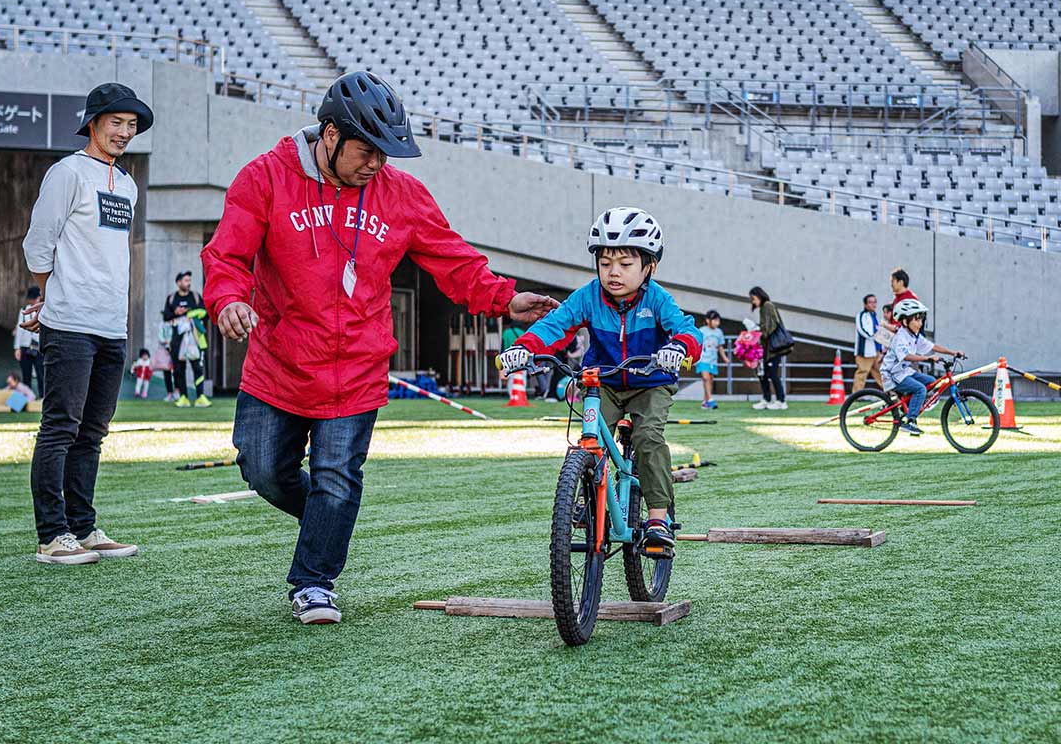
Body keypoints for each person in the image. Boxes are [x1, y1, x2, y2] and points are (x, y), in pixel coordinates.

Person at [200, 71, 559, 624]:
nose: (376, 165)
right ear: (328, 135)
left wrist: (504, 299)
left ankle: (314, 582)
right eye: (366, 151)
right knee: (263, 470)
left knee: (337, 478)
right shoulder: (265, 178)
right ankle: (330, 518)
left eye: (386, 154)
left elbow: (453, 260)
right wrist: (226, 300)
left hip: (359, 366)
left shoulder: (402, 194)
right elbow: (226, 256)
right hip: (279, 363)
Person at [499, 207, 702, 552]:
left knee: (648, 436)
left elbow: (685, 329)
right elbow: (555, 325)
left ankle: (657, 517)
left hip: (650, 382)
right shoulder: (588, 296)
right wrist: (523, 348)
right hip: (604, 381)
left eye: (625, 264)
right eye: (606, 263)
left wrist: (679, 349)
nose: (614, 273)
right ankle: (586, 499)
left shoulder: (657, 299)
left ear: (649, 266)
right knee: (589, 440)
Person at [20, 82, 152, 565]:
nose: (124, 132)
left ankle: (84, 528)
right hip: (69, 322)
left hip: (112, 326)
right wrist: (49, 293)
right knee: (60, 427)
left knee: (93, 432)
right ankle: (52, 536)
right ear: (93, 124)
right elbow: (38, 241)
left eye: (131, 125)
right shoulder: (67, 173)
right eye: (116, 122)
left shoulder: (130, 184)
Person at [880, 299, 964, 436]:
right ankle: (910, 421)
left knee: (931, 381)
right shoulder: (901, 336)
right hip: (892, 374)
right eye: (917, 320)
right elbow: (906, 356)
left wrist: (953, 352)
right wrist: (928, 358)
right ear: (906, 322)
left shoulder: (914, 336)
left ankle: (909, 405)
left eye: (921, 320)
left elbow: (932, 347)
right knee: (920, 389)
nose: (920, 323)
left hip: (904, 372)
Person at [163, 271, 211, 407]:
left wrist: (192, 314)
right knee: (179, 369)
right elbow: (165, 316)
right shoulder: (172, 298)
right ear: (178, 283)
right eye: (185, 280)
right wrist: (175, 313)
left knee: (198, 368)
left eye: (189, 280)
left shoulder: (195, 297)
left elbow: (205, 313)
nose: (188, 283)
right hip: (177, 340)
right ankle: (183, 397)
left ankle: (200, 397)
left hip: (195, 340)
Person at [750, 286, 788, 410]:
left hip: (773, 348)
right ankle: (767, 399)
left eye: (754, 299)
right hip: (767, 348)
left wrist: (758, 330)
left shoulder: (768, 306)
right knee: (763, 373)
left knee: (772, 373)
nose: (753, 302)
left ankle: (781, 401)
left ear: (759, 296)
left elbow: (771, 326)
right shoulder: (764, 307)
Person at [14, 286, 45, 397]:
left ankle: (42, 398)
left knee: (41, 374)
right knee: (26, 374)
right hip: (25, 346)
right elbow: (19, 329)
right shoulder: (23, 310)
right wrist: (17, 347)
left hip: (38, 346)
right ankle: (27, 398)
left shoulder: (44, 310)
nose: (33, 300)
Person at [695, 310, 728, 409]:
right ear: (708, 320)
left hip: (713, 360)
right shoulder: (702, 330)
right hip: (702, 359)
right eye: (714, 320)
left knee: (710, 380)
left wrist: (725, 358)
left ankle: (705, 401)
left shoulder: (719, 332)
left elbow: (720, 347)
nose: (717, 323)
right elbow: (697, 344)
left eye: (718, 320)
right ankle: (710, 399)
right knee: (705, 378)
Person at [853, 294, 884, 393]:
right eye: (870, 302)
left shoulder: (875, 316)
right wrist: (873, 335)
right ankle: (856, 394)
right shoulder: (861, 315)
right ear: (865, 304)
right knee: (862, 371)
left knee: (881, 372)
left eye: (874, 302)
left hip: (876, 350)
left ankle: (890, 392)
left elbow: (879, 332)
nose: (873, 304)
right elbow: (862, 329)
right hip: (865, 350)